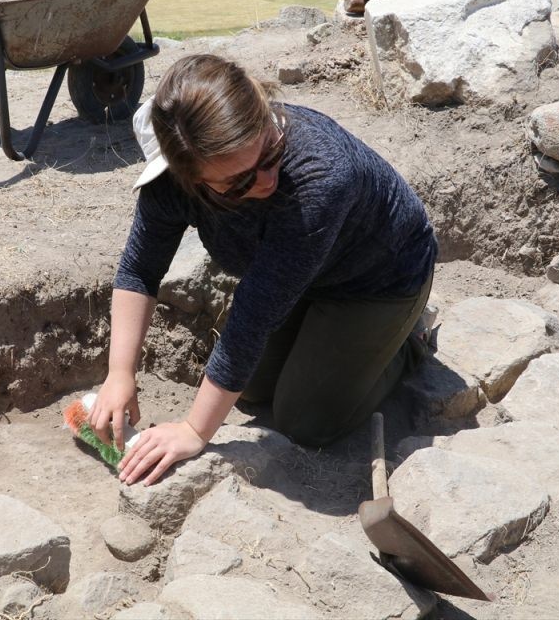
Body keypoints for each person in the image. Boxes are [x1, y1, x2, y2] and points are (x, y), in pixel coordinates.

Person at [88, 54, 437, 487]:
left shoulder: (322, 175)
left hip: (380, 278)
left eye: (270, 151)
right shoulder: (172, 181)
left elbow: (252, 318)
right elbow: (140, 270)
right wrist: (119, 373)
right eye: (237, 183)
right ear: (189, 178)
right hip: (302, 278)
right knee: (250, 388)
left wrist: (195, 432)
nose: (266, 181)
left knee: (306, 421)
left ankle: (409, 340)